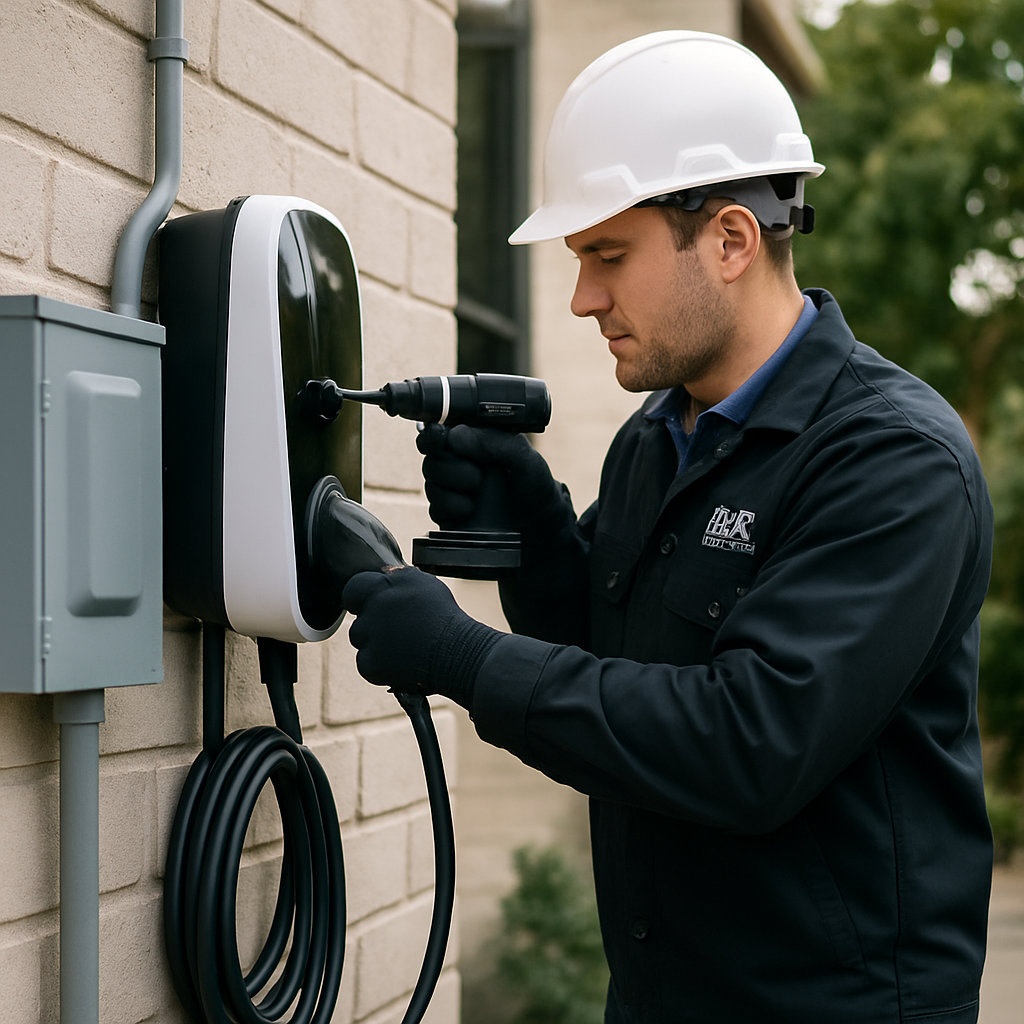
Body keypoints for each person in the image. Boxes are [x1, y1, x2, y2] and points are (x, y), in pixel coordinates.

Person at [342, 31, 994, 1024]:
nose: (580, 299)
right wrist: (540, 537)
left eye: (608, 255)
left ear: (730, 241)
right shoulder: (659, 436)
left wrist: (465, 660)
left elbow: (747, 743)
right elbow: (623, 663)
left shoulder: (892, 462)